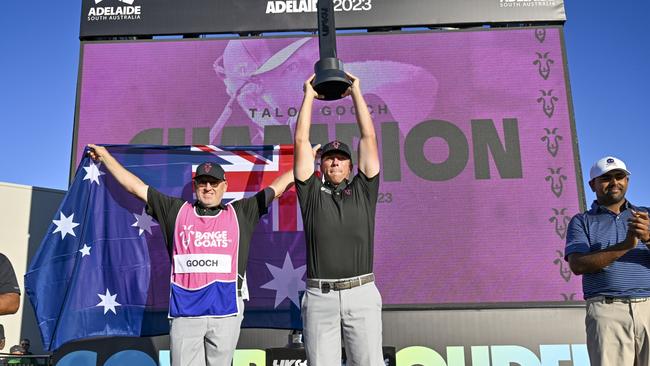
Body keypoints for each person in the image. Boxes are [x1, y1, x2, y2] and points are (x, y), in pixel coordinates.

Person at [87, 145, 294, 366]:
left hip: (226, 311)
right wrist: (106, 158)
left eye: (213, 183)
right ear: (195, 186)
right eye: (202, 182)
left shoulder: (241, 212)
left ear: (224, 186)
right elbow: (135, 187)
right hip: (186, 311)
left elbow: (276, 188)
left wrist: (304, 160)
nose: (208, 187)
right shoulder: (175, 211)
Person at [293, 73, 383, 366]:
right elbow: (301, 140)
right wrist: (308, 95)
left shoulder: (363, 189)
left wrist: (356, 91)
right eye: (329, 157)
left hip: (361, 294)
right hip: (320, 297)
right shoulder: (311, 194)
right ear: (320, 164)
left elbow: (369, 137)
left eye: (341, 158)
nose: (334, 161)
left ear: (350, 165)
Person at [565, 156, 650, 366]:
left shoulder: (646, 215)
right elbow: (578, 265)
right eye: (606, 178)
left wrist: (649, 238)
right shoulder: (581, 221)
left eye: (619, 176)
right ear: (592, 184)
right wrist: (625, 246)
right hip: (607, 311)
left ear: (627, 181)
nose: (614, 182)